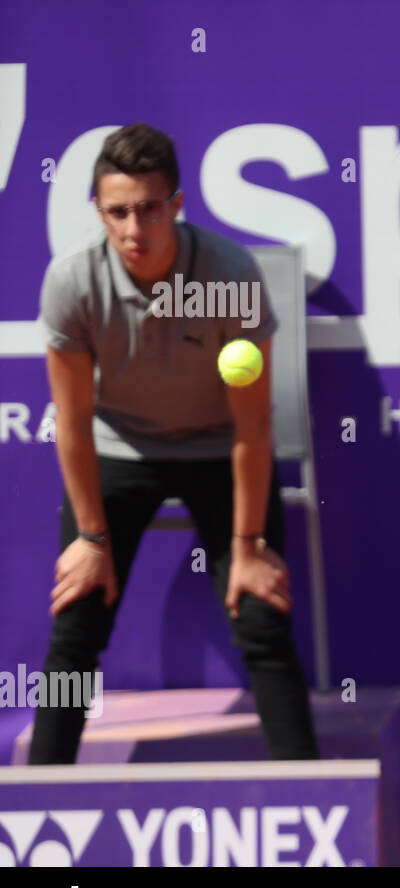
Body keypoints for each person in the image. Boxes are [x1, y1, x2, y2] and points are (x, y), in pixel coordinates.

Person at [31, 123, 319, 762]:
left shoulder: (229, 274)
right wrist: (91, 538)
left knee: (262, 618)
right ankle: (37, 807)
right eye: (119, 212)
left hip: (221, 450)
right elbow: (73, 423)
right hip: (120, 450)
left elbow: (253, 427)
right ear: (99, 213)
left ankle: (315, 807)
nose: (135, 229)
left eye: (150, 209)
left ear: (177, 206)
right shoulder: (73, 282)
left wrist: (247, 549)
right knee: (76, 622)